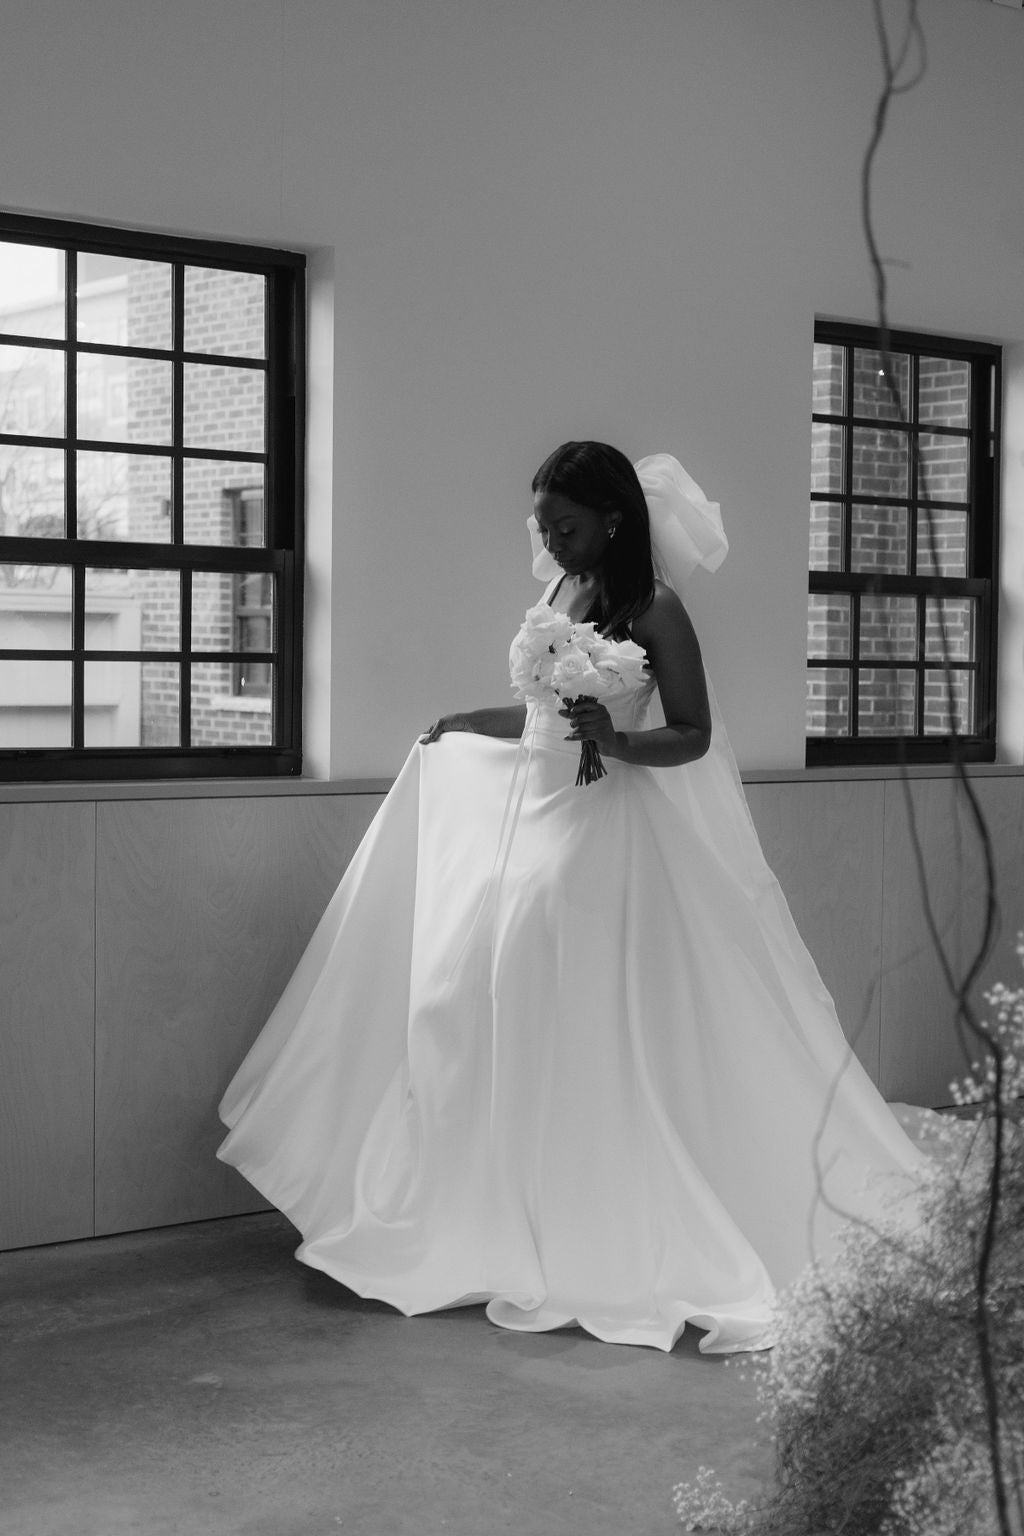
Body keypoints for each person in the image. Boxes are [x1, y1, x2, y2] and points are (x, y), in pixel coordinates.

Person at [218, 441, 927, 1354]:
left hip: (603, 827)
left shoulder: (657, 610)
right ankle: (489, 1206)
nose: (551, 541)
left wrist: (621, 743)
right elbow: (544, 715)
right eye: (544, 525)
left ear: (615, 519)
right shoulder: (560, 596)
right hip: (529, 811)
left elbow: (697, 736)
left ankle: (591, 1210)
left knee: (574, 998)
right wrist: (470, 722)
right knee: (471, 993)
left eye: (566, 524)